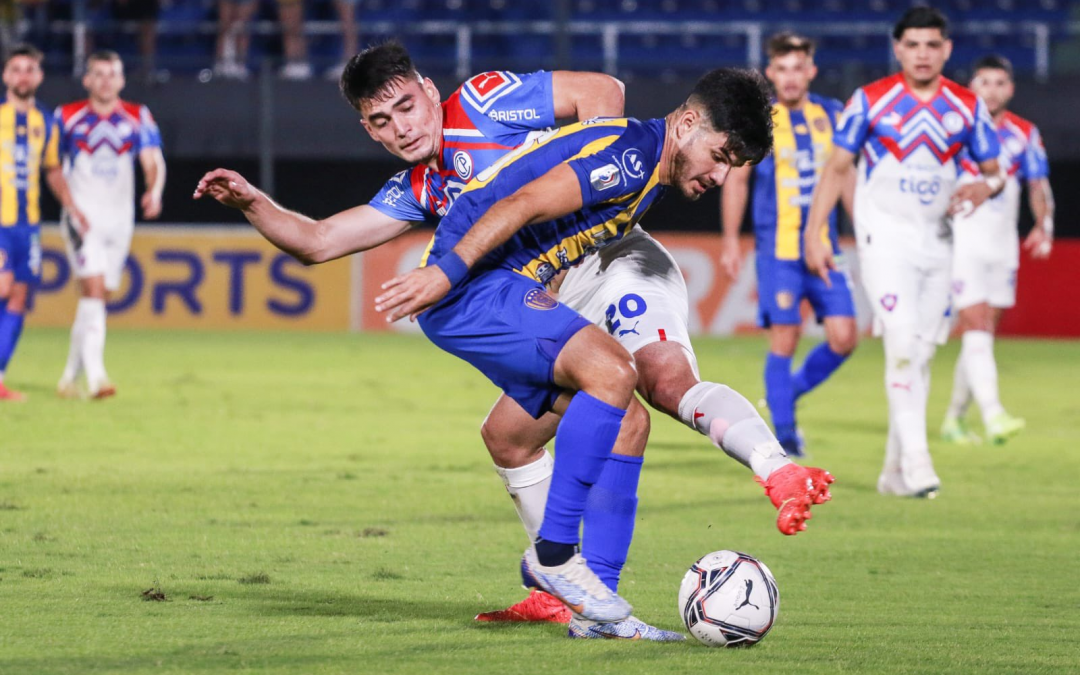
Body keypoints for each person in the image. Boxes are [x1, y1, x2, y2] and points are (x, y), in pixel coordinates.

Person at [197, 46, 830, 639]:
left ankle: (755, 482)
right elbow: (320, 241)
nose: (401, 129)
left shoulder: (486, 105)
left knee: (649, 385)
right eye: (381, 122)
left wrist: (593, 165)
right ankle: (566, 579)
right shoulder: (423, 189)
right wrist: (254, 202)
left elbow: (602, 92)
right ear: (369, 130)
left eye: (407, 108)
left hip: (598, 257)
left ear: (429, 89)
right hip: (508, 274)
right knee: (557, 417)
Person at [367, 67, 778, 625]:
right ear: (686, 124)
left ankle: (598, 612)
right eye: (722, 155)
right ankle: (555, 557)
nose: (721, 175)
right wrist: (445, 273)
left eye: (734, 166)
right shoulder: (631, 158)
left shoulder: (643, 164)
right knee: (613, 372)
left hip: (496, 282)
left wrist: (254, 205)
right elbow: (525, 202)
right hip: (475, 284)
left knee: (616, 418)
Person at [804, 7, 1003, 498]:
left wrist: (985, 187)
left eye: (931, 45)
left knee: (924, 352)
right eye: (912, 44)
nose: (922, 53)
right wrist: (815, 233)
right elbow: (836, 167)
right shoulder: (871, 101)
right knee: (900, 343)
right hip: (884, 241)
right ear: (898, 49)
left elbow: (995, 170)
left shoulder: (968, 107)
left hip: (938, 243)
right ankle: (918, 462)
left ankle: (893, 472)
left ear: (946, 50)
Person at [720, 31, 857, 457]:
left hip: (824, 249)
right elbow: (737, 181)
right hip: (777, 252)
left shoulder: (833, 114)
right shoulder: (760, 122)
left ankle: (785, 394)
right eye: (783, 69)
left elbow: (847, 176)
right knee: (785, 336)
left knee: (844, 337)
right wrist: (729, 240)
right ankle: (785, 434)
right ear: (771, 73)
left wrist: (864, 233)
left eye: (799, 68)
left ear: (811, 70)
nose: (791, 77)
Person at [940, 54, 1053, 445]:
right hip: (961, 241)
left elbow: (1038, 185)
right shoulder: (953, 129)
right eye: (984, 81)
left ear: (1011, 88)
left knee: (983, 333)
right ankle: (993, 414)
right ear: (972, 86)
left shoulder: (1024, 133)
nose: (991, 89)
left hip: (1002, 246)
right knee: (975, 325)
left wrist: (1044, 224)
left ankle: (954, 419)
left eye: (999, 82)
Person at [55, 50, 165, 400]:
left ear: (121, 79)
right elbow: (53, 168)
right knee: (95, 291)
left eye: (112, 74)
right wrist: (71, 207)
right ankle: (98, 378)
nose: (105, 80)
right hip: (82, 217)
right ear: (87, 80)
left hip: (119, 220)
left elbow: (152, 161)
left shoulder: (137, 116)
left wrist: (154, 190)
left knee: (100, 298)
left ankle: (68, 378)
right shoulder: (67, 117)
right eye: (98, 74)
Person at [0, 45, 84, 401]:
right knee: (3, 290)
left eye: (29, 69)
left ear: (39, 76)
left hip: (28, 226)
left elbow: (52, 170)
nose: (22, 76)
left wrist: (73, 207)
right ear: (5, 76)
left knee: (19, 298)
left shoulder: (47, 123)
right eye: (16, 69)